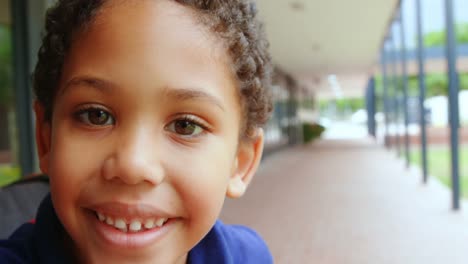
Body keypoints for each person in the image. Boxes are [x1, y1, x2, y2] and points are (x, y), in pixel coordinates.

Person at [0, 0, 273, 263]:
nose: (133, 165)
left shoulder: (249, 257)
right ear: (45, 140)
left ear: (241, 162)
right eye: (96, 116)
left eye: (185, 126)